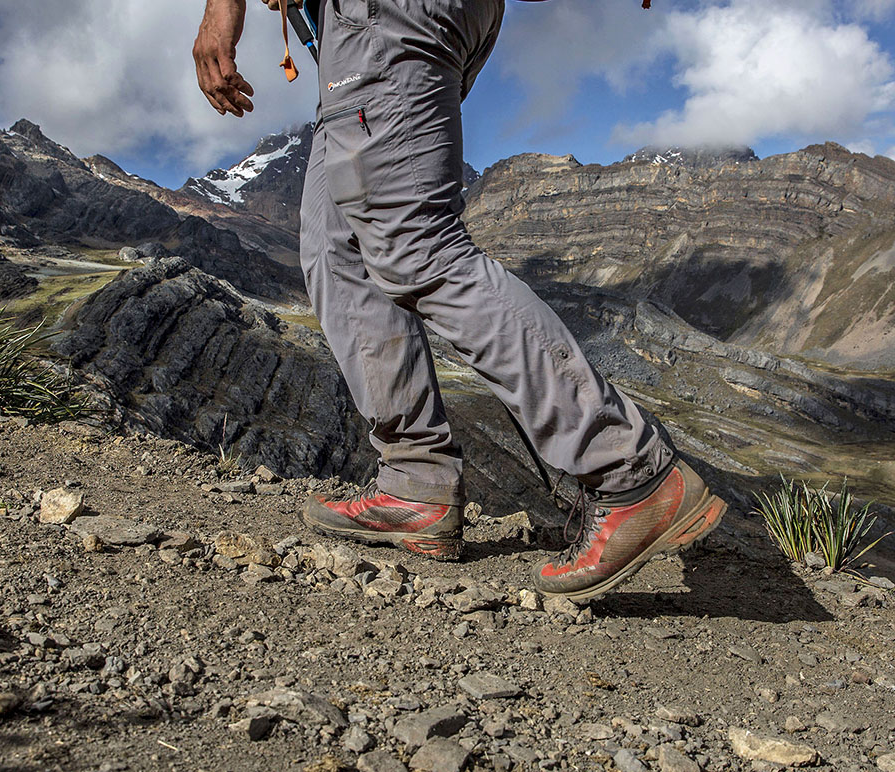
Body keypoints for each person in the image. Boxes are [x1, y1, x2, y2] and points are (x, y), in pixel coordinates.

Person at [192, 0, 725, 601]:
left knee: (418, 246)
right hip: (383, 26)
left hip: (382, 17)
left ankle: (628, 470)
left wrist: (221, 9)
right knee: (338, 251)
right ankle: (416, 480)